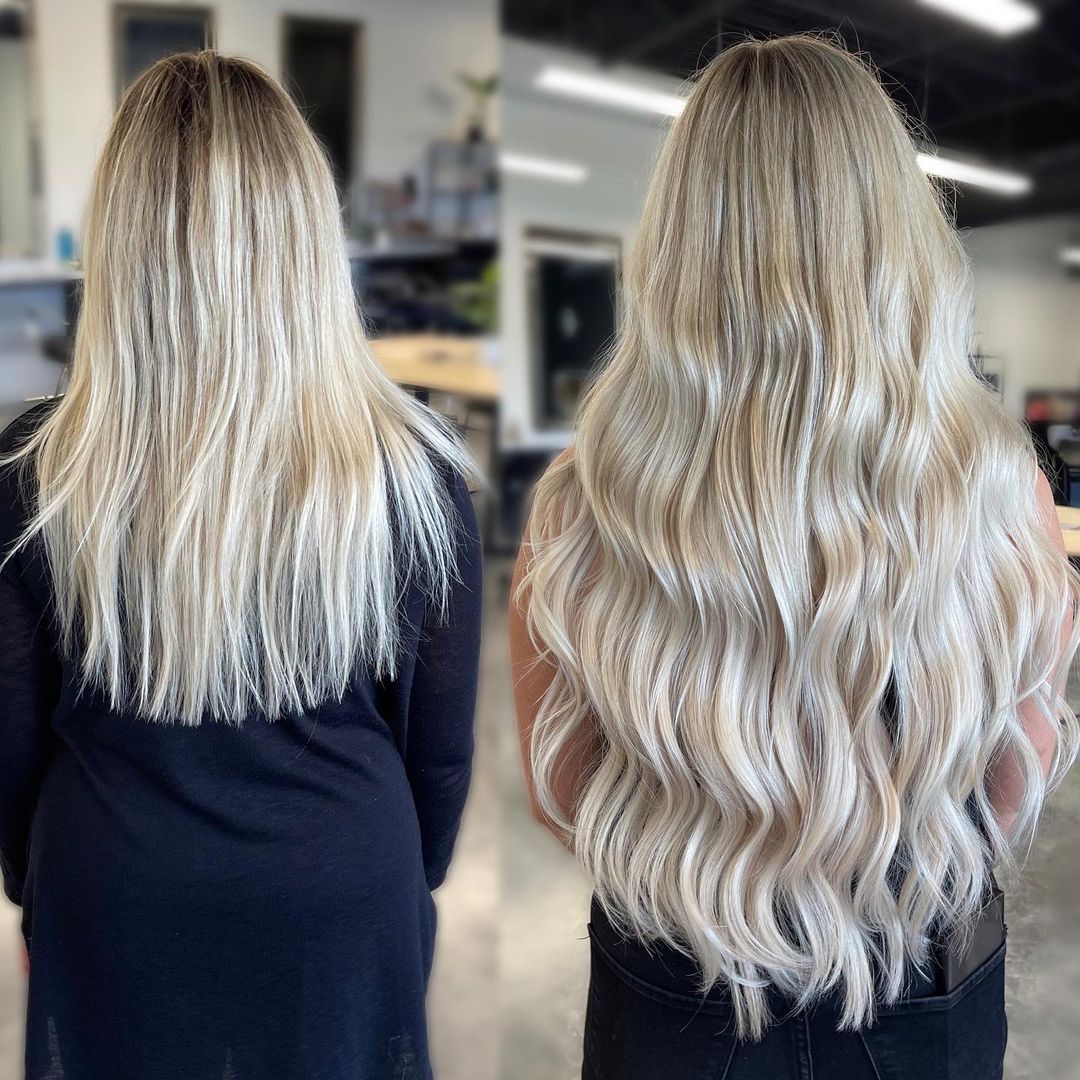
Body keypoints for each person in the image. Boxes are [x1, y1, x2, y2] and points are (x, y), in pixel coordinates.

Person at [510, 35, 1078, 1080]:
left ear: (681, 245)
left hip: (676, 978)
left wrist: (708, 866)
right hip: (918, 974)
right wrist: (891, 868)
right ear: (898, 235)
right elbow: (1017, 772)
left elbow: (561, 790)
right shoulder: (1005, 494)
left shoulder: (585, 504)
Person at [0, 51, 482, 1080]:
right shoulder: (413, 470)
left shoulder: (38, 470)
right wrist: (407, 872)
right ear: (307, 238)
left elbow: (11, 742)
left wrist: (32, 884)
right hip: (343, 883)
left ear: (122, 241)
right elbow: (437, 750)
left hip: (112, 882)